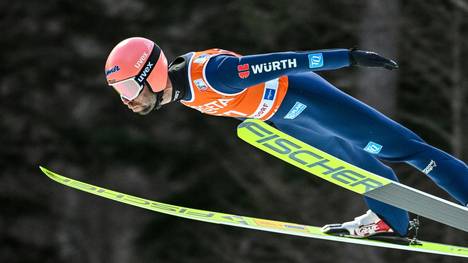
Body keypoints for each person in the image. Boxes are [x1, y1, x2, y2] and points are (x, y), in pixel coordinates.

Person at [104, 37, 468, 239]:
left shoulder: (214, 75)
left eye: (126, 87)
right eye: (117, 90)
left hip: (307, 99)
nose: (126, 99)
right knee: (358, 172)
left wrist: (351, 58)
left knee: (409, 151)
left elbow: (289, 61)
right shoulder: (179, 91)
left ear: (150, 74)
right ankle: (392, 221)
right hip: (287, 119)